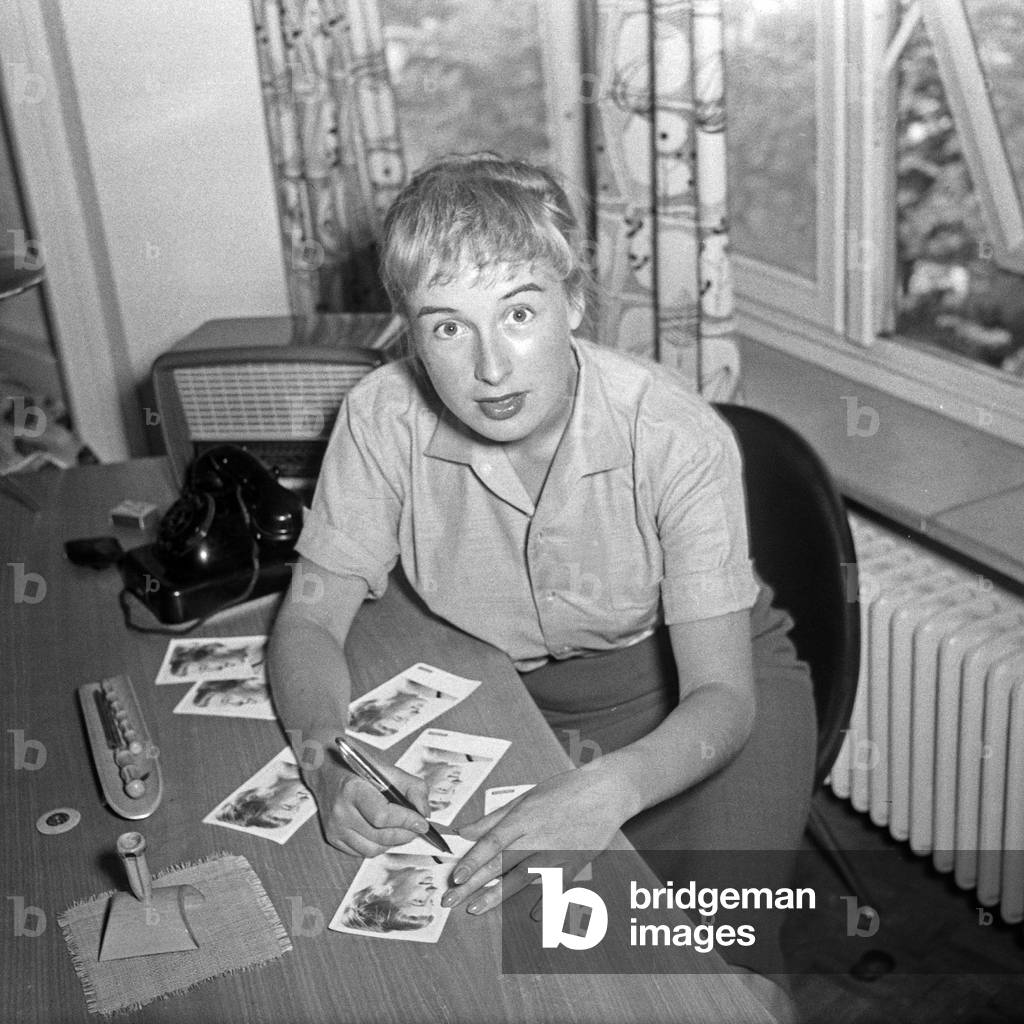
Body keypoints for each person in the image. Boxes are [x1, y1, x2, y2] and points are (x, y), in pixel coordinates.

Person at [268, 154, 815, 999]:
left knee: (721, 980)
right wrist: (326, 762)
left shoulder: (671, 432)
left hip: (701, 700)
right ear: (409, 332)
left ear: (575, 303)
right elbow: (308, 622)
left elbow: (725, 697)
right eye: (447, 327)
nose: (490, 368)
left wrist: (603, 792)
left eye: (518, 312)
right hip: (523, 704)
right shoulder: (380, 417)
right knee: (535, 975)